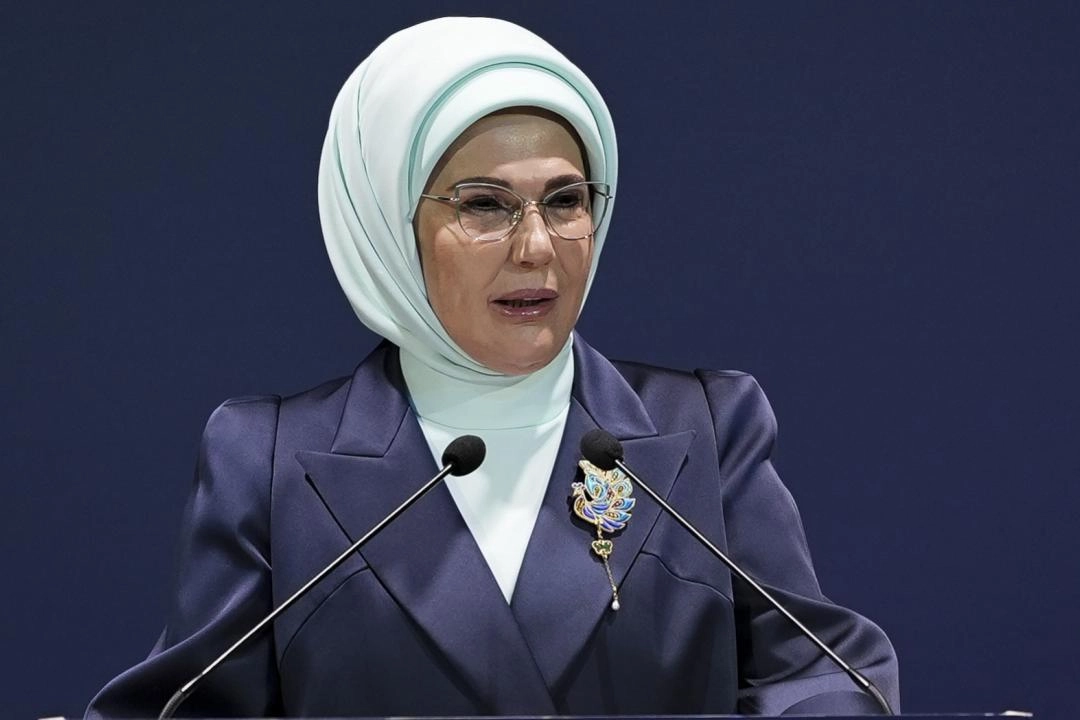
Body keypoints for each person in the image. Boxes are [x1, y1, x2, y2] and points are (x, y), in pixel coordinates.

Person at [86, 17, 899, 718]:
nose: (537, 246)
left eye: (567, 200)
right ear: (386, 222)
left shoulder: (705, 432)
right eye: (484, 204)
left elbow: (823, 674)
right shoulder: (269, 464)